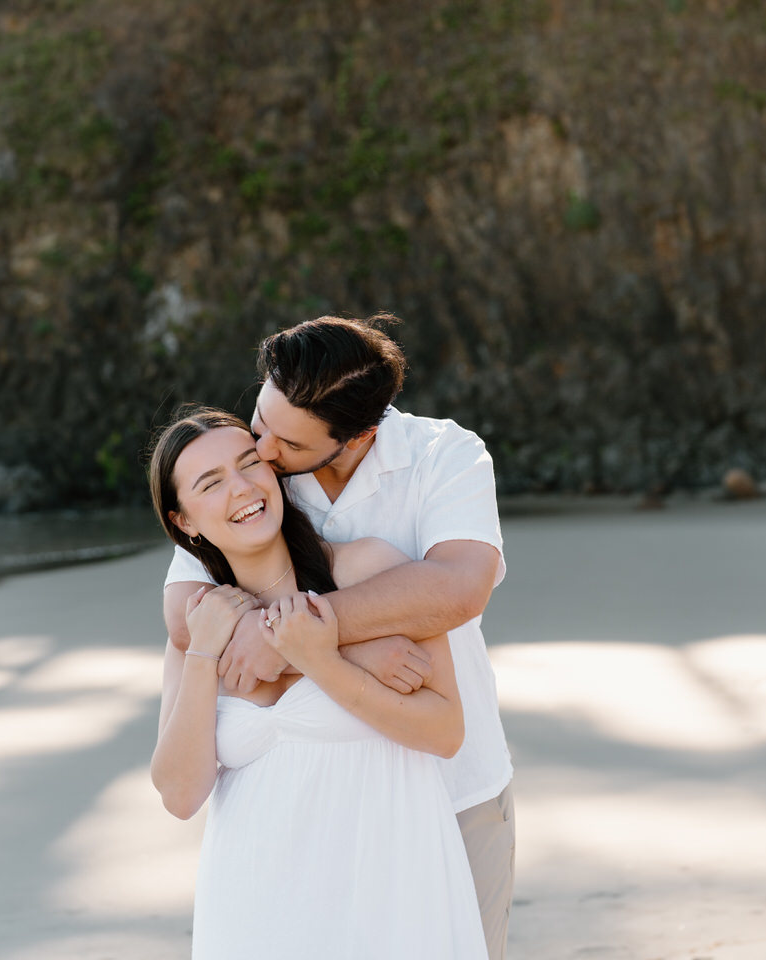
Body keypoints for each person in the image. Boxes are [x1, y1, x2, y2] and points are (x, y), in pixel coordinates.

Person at [163, 315, 515, 960]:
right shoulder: (252, 471)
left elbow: (459, 590)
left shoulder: (444, 457)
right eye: (259, 419)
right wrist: (339, 644)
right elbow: (189, 607)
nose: (262, 450)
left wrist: (293, 639)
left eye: (284, 444)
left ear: (358, 438)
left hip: (453, 787)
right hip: (297, 834)